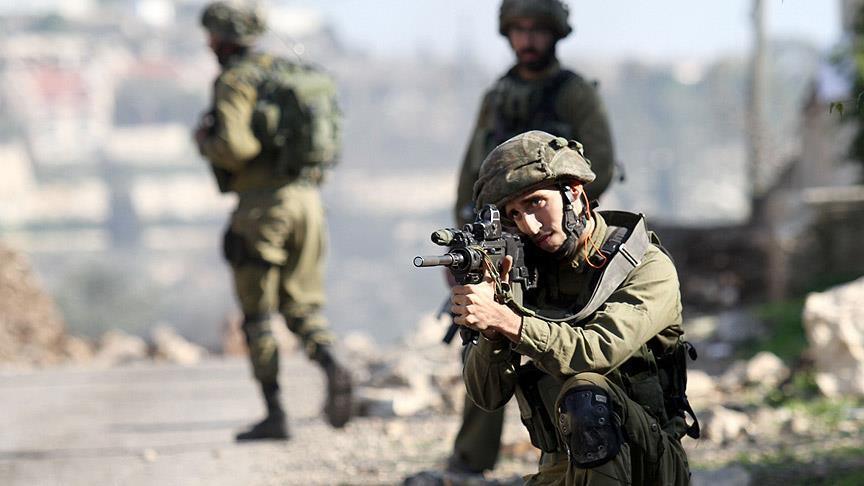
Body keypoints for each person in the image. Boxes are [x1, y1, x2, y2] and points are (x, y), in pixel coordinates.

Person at [452, 130, 696, 484]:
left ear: (575, 193)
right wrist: (491, 332)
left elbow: (596, 351)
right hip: (561, 471)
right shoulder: (529, 273)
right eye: (515, 214)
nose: (528, 224)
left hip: (649, 464)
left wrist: (510, 323)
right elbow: (487, 397)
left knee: (587, 394)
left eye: (535, 202)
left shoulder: (646, 266)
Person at [448, 0, 617, 475]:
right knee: (483, 335)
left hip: (563, 236)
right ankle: (470, 458)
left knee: (575, 347)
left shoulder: (574, 94)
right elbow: (471, 172)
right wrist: (467, 244)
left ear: (555, 33)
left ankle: (580, 460)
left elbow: (600, 166)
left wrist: (553, 223)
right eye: (518, 29)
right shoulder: (498, 96)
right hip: (501, 238)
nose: (527, 39)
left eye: (536, 29)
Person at [194, 1, 352, 441]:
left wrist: (205, 141)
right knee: (302, 306)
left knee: (258, 314)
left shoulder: (235, 79)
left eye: (212, 36)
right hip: (308, 203)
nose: (209, 44)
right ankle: (331, 361)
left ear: (223, 38)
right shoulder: (283, 69)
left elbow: (236, 147)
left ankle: (275, 413)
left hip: (263, 209)